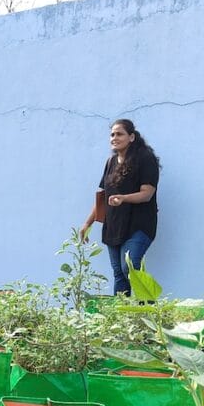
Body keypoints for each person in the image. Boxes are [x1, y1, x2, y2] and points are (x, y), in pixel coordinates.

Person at [80, 119, 160, 295]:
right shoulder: (111, 162)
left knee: (130, 267)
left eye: (119, 134)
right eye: (112, 134)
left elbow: (147, 194)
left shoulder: (145, 159)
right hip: (114, 225)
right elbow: (103, 197)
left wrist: (123, 198)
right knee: (119, 275)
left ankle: (149, 308)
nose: (114, 138)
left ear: (131, 137)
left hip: (139, 225)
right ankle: (122, 319)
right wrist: (87, 224)